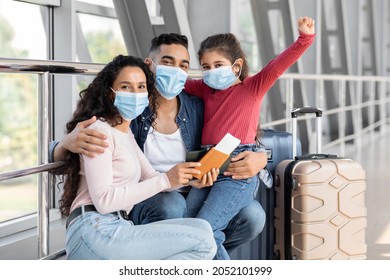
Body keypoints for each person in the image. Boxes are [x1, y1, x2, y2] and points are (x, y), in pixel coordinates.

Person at [50, 34, 268, 259]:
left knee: (252, 215)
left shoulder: (198, 106)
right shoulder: (128, 111)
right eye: (167, 62)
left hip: (190, 190)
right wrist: (64, 144)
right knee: (176, 210)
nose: (175, 71)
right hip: (142, 201)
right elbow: (81, 149)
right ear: (149, 65)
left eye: (183, 65)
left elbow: (241, 134)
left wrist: (262, 158)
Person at [58, 54, 217, 260]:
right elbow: (104, 201)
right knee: (203, 244)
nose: (135, 93)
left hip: (118, 225)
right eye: (126, 87)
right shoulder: (99, 131)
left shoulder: (126, 133)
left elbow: (152, 176)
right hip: (93, 229)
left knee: (203, 228)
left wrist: (189, 175)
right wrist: (166, 179)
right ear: (111, 93)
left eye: (141, 87)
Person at [183, 16, 316, 259]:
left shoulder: (252, 87)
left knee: (205, 229)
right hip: (207, 162)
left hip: (237, 170)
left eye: (218, 65)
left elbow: (278, 66)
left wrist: (304, 39)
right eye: (205, 67)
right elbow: (177, 82)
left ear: (236, 66)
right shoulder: (204, 88)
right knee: (188, 225)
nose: (211, 72)